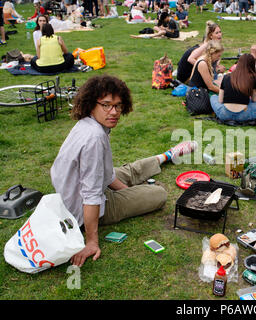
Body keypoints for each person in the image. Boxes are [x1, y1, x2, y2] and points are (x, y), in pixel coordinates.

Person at [51, 74, 198, 267]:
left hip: (76, 187)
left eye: (118, 106)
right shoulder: (94, 138)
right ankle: (144, 185)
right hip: (82, 205)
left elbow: (104, 172)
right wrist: (91, 242)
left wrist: (122, 189)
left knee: (129, 170)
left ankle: (166, 156)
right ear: (91, 103)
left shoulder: (89, 123)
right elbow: (91, 195)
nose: (114, 112)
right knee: (158, 194)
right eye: (106, 105)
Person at [210, 54, 256, 122]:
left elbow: (220, 100)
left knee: (213, 97)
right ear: (252, 65)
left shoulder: (226, 77)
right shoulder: (253, 78)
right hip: (244, 115)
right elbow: (255, 100)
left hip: (224, 115)